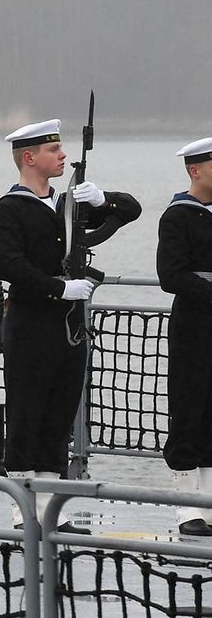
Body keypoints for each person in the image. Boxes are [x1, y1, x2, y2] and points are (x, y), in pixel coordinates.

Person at [0, 119, 139, 534]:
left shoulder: (67, 206)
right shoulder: (10, 208)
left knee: (57, 417)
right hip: (32, 322)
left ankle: (53, 510)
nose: (64, 157)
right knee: (28, 414)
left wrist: (104, 200)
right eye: (54, 151)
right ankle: (24, 511)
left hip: (68, 329)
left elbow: (132, 209)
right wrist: (59, 288)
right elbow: (9, 264)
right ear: (29, 157)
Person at [157, 136, 212, 536]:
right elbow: (171, 275)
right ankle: (186, 507)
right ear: (195, 170)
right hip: (194, 325)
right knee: (189, 407)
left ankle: (208, 503)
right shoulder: (178, 216)